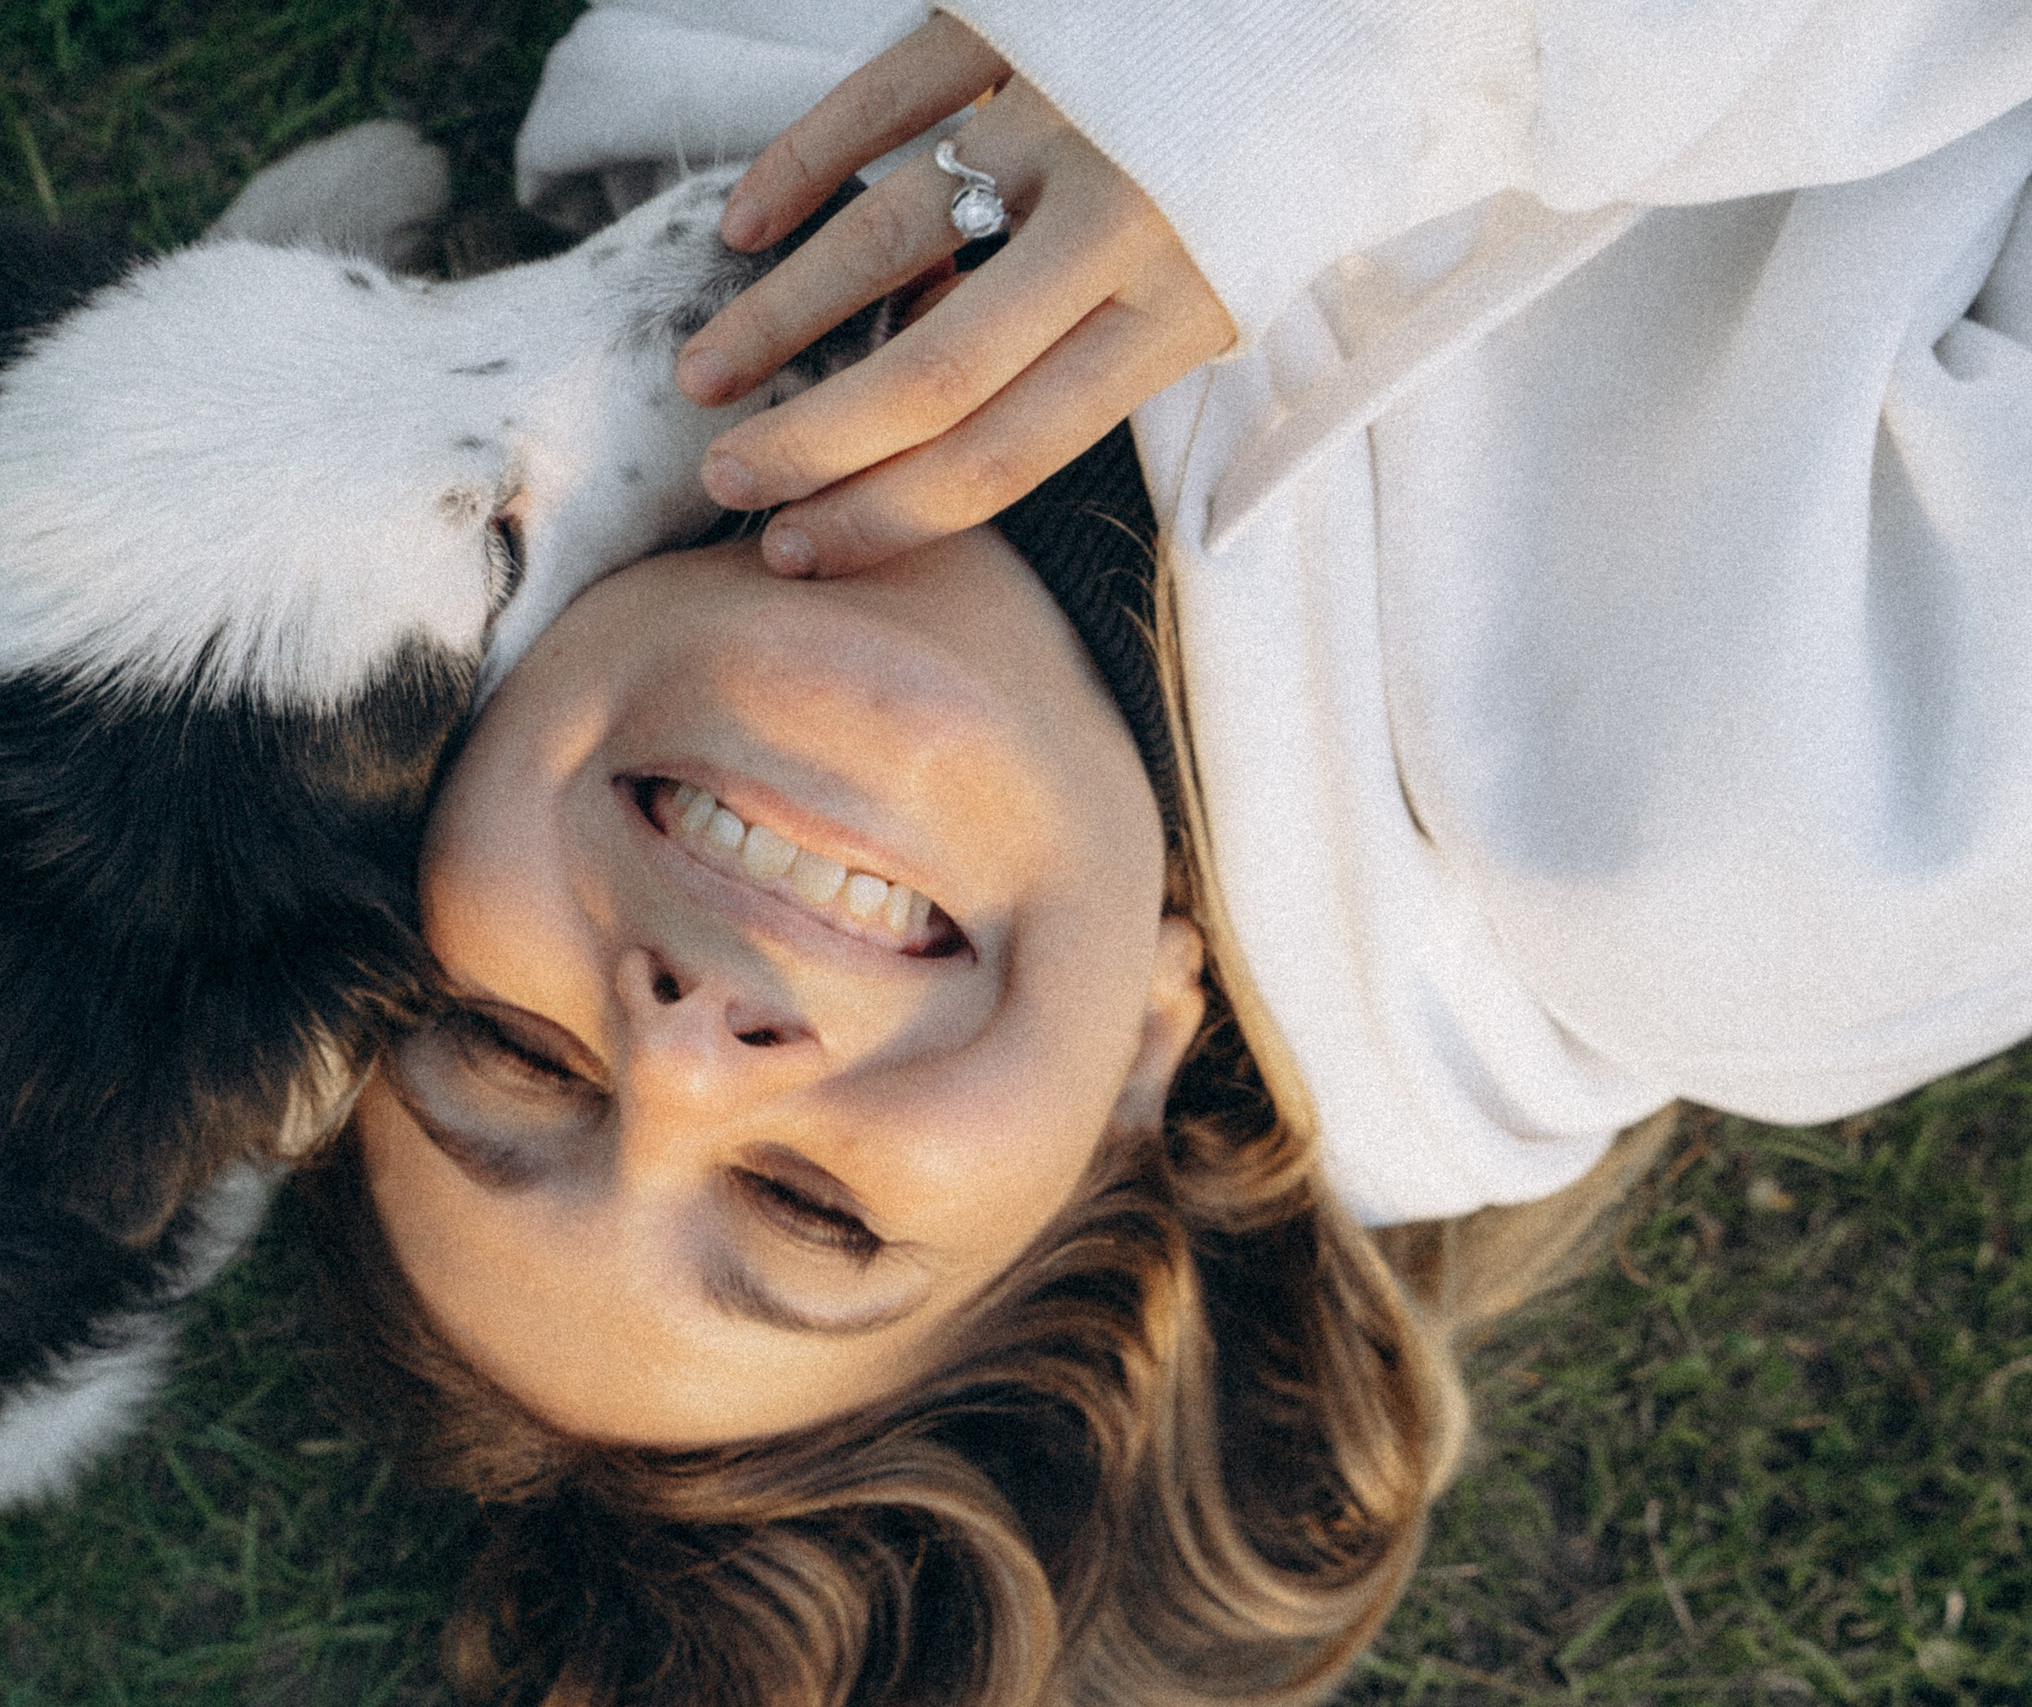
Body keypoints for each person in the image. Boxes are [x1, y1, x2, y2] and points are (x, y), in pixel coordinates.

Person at [305, 3, 2032, 1703]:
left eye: (518, 1054)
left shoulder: (688, 115)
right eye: (811, 1210)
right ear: (1138, 1095)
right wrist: (1352, 66)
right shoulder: (1790, 854)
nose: (684, 1053)